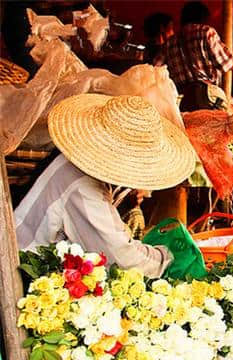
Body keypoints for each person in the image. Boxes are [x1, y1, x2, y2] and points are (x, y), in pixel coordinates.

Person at [15, 94, 196, 278]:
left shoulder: (79, 165)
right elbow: (120, 258)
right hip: (22, 275)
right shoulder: (81, 184)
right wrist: (167, 258)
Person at [164, 1, 233, 111]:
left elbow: (158, 67)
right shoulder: (206, 32)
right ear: (203, 17)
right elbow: (227, 63)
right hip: (204, 98)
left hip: (180, 101)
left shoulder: (169, 42)